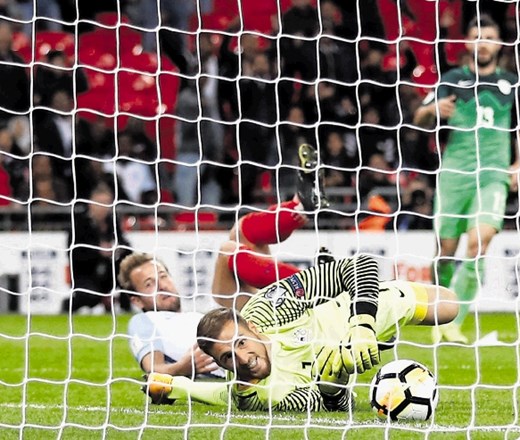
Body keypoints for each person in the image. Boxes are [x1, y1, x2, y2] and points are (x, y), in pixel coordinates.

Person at [143, 254, 459, 412]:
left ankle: (317, 282)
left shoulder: (268, 309)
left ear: (253, 328)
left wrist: (361, 325)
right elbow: (336, 406)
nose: (243, 359)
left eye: (240, 343)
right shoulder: (255, 396)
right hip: (336, 358)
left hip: (351, 310)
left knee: (449, 306)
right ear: (221, 366)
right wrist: (335, 379)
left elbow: (360, 264)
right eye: (228, 358)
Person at [120, 144, 329, 378]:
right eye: (149, 284)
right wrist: (185, 367)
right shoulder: (143, 322)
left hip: (248, 330)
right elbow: (155, 372)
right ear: (136, 300)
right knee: (229, 250)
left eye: (162, 276)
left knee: (241, 233)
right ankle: (316, 282)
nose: (162, 285)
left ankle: (299, 208)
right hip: (241, 354)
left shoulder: (191, 316)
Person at [413, 15, 520, 343]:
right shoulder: (452, 78)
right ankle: (438, 312)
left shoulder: (511, 83)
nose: (483, 42)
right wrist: (433, 110)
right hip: (454, 175)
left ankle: (454, 322)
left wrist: (519, 164)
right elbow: (419, 118)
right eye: (477, 36)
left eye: (489, 37)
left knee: (479, 242)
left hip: (493, 175)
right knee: (445, 250)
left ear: (499, 44)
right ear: (468, 43)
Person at [63, 183, 131, 313]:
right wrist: (98, 251)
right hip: (86, 273)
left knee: (127, 274)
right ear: (91, 203)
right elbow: (74, 253)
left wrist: (117, 249)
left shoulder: (113, 223)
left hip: (109, 273)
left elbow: (127, 246)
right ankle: (69, 305)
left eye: (107, 203)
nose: (103, 208)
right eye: (100, 203)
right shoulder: (79, 224)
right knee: (89, 296)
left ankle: (125, 309)